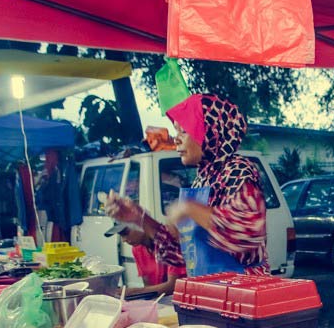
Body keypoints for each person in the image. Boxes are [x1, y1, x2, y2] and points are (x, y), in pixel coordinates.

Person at [106, 93, 268, 277]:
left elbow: (250, 233)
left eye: (184, 130)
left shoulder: (238, 170)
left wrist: (190, 209)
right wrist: (140, 218)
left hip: (243, 294)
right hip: (209, 293)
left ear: (211, 131)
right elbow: (185, 255)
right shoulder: (203, 179)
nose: (176, 139)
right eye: (176, 131)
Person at [104, 221, 186, 298]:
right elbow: (148, 285)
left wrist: (132, 292)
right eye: (121, 235)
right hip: (159, 301)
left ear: (141, 224)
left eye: (125, 233)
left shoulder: (168, 241)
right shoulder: (137, 249)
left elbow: (173, 286)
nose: (124, 240)